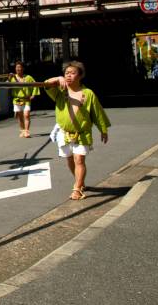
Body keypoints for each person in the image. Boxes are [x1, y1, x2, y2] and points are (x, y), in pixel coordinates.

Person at [43, 61, 110, 201]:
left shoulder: (88, 93)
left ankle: (77, 189)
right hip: (64, 133)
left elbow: (97, 112)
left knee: (79, 159)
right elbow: (46, 85)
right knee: (70, 160)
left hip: (82, 133)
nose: (69, 76)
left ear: (80, 76)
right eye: (66, 73)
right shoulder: (60, 91)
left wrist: (103, 130)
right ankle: (80, 181)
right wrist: (57, 78)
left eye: (73, 73)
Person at [9, 60, 39, 138]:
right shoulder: (12, 78)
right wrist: (9, 78)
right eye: (17, 67)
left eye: (20, 67)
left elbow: (35, 84)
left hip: (26, 99)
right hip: (17, 100)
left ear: (23, 68)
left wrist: (33, 95)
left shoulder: (28, 77)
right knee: (19, 116)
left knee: (26, 115)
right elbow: (7, 85)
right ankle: (22, 130)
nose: (18, 69)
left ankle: (26, 131)